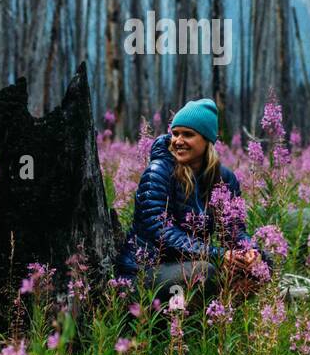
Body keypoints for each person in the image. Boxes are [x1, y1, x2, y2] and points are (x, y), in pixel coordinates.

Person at [116, 98, 271, 312]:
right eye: (175, 133)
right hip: (143, 272)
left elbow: (234, 230)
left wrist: (249, 252)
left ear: (207, 139)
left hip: (186, 266)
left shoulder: (224, 179)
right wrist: (216, 254)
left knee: (261, 264)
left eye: (187, 134)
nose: (178, 140)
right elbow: (158, 229)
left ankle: (216, 320)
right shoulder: (159, 171)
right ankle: (175, 329)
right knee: (205, 270)